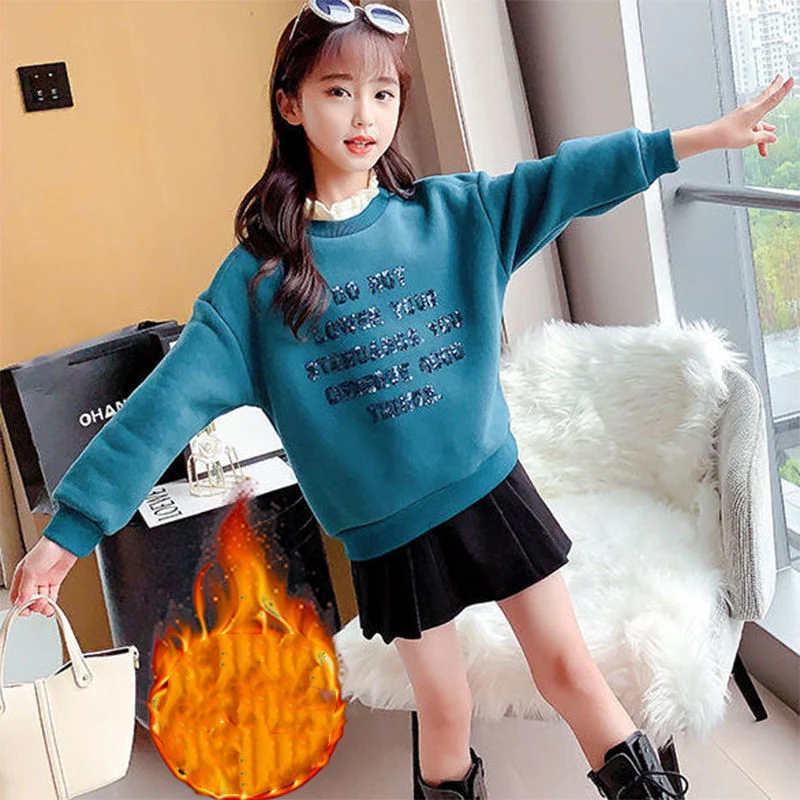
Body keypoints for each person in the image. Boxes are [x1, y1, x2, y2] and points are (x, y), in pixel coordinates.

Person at [10, 1, 793, 798]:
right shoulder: (256, 283)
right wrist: (67, 536)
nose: (365, 116)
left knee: (569, 672)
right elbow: (159, 411)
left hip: (491, 494)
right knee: (445, 709)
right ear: (290, 103)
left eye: (383, 94)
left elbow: (569, 178)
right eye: (338, 90)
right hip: (390, 535)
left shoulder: (453, 216)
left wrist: (702, 138)